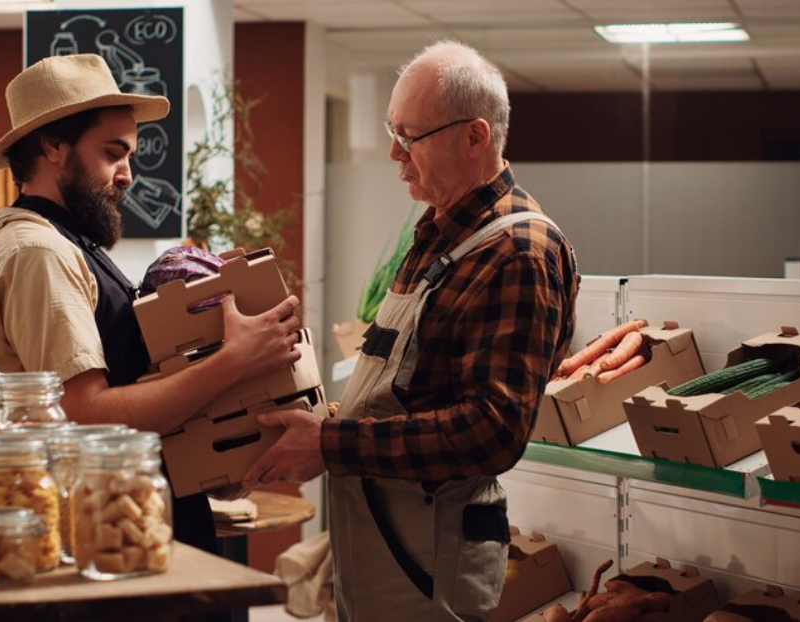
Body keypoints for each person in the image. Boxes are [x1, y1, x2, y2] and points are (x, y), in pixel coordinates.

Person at [242, 41, 580, 621]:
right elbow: (412, 393)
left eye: (410, 134)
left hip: (430, 566)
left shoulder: (518, 253)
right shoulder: (438, 234)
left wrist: (329, 443)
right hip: (379, 552)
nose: (393, 151)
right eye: (391, 128)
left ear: (475, 137)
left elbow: (493, 430)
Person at [0, 54, 302, 555]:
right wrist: (234, 363)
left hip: (134, 515)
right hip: (107, 532)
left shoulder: (68, 244)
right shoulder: (39, 252)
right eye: (113, 153)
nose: (128, 175)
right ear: (54, 146)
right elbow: (84, 413)